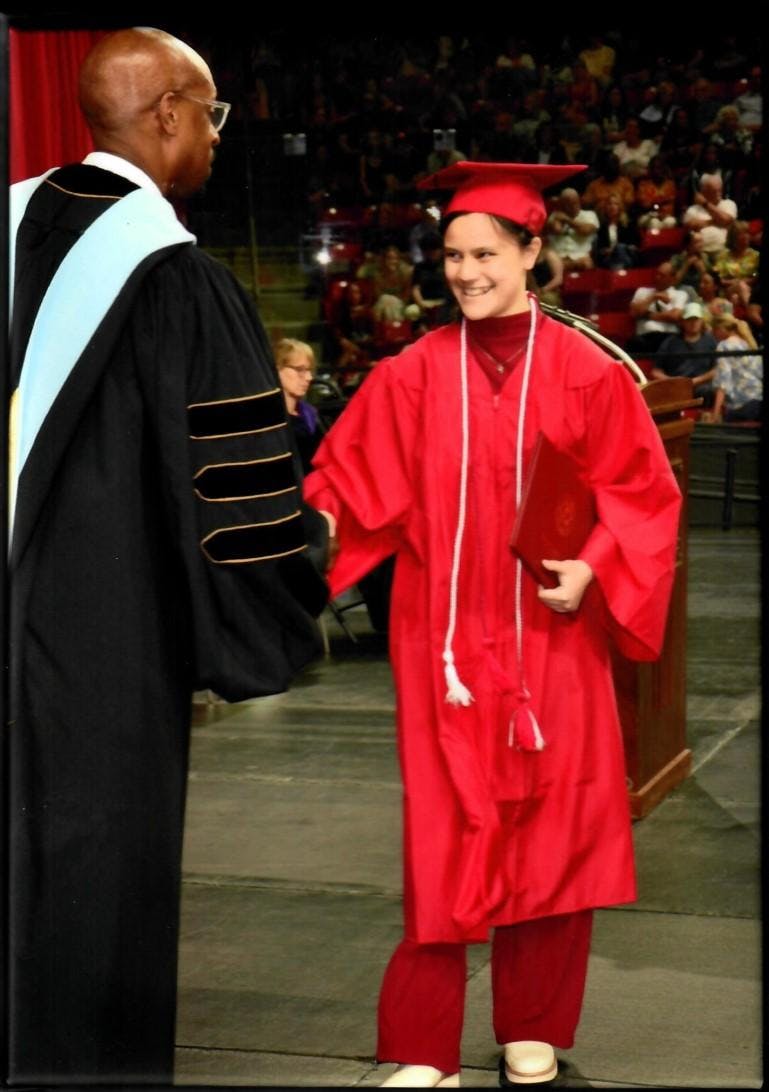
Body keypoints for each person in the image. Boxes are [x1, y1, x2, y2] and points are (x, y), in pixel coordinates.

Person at [304, 162, 681, 1088]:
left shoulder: (590, 373)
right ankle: (422, 1044)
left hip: (554, 642)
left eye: (484, 254)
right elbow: (346, 489)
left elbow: (639, 494)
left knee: (554, 837)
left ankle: (532, 1025)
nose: (465, 273)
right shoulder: (410, 374)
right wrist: (293, 539)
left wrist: (592, 565)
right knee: (443, 837)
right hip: (445, 647)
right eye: (452, 256)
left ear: (530, 253)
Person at [7, 27, 327, 1086]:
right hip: (108, 650)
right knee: (96, 883)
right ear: (168, 113)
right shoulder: (177, 279)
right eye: (212, 113)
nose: (217, 137)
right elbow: (237, 498)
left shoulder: (10, 227)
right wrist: (287, 594)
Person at [275, 337, 324, 474]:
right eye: (300, 369)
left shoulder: (310, 415)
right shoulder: (268, 419)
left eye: (309, 370)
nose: (309, 377)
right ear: (277, 370)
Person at [652, 302, 718, 403]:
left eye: (696, 319)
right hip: (674, 387)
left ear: (702, 321)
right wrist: (673, 382)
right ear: (682, 322)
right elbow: (656, 371)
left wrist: (695, 381)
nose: (693, 323)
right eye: (689, 319)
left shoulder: (710, 341)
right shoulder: (670, 342)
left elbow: (717, 369)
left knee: (708, 391)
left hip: (701, 387)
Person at [710, 315, 763, 423]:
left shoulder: (724, 346)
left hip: (742, 403)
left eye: (713, 331)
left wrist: (715, 413)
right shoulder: (748, 343)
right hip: (758, 399)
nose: (712, 334)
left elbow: (723, 382)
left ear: (719, 329)